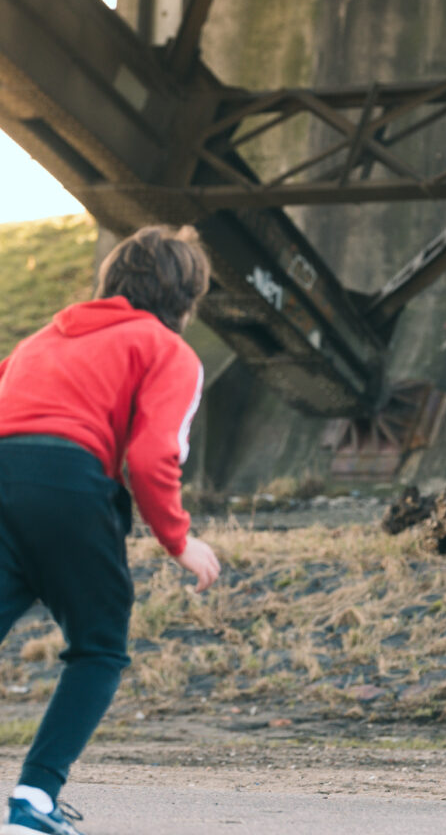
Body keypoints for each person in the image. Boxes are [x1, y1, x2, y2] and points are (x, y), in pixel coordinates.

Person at [0, 224, 221, 835]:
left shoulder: (42, 338)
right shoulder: (166, 349)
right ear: (185, 298)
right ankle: (36, 800)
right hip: (70, 482)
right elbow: (152, 457)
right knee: (99, 646)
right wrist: (179, 540)